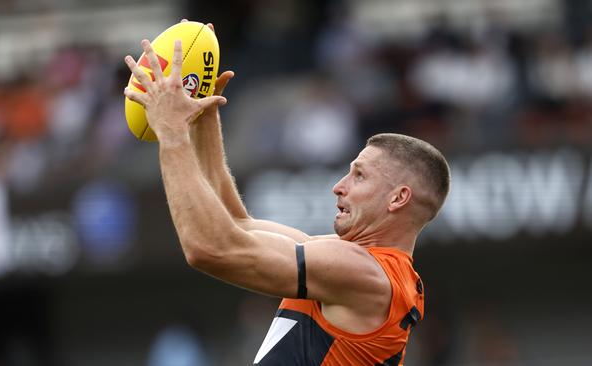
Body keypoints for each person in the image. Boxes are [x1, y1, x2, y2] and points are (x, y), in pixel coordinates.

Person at [123, 28, 450, 365]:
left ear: (398, 199)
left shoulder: (361, 273)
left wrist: (173, 132)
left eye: (360, 175)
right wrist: (205, 115)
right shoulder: (350, 266)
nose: (339, 186)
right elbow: (237, 223)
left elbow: (210, 248)